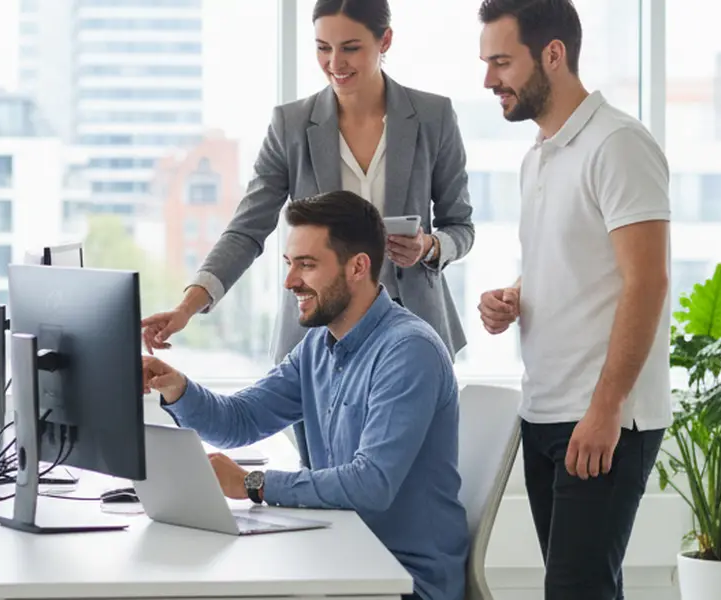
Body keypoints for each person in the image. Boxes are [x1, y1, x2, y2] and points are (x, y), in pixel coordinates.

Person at [139, 0, 475, 469]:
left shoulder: (433, 118)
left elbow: (461, 225)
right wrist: (187, 306)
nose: (335, 64)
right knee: (323, 475)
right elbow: (248, 226)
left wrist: (430, 246)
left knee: (393, 481)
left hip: (409, 329)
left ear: (385, 41)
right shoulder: (292, 126)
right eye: (323, 48)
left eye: (351, 48)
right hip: (320, 335)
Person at [142, 191, 467, 600]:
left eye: (307, 265)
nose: (290, 281)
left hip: (401, 581)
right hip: (339, 557)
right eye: (289, 263)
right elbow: (241, 420)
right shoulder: (319, 346)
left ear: (358, 267)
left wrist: (252, 483)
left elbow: (371, 484)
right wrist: (175, 386)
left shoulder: (408, 351)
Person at [476, 0, 672, 597]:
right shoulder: (536, 157)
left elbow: (649, 281)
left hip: (604, 417)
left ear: (553, 55)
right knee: (579, 589)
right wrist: (513, 295)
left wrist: (606, 410)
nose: (489, 81)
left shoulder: (618, 145)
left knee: (575, 591)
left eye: (502, 62)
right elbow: (575, 264)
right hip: (544, 412)